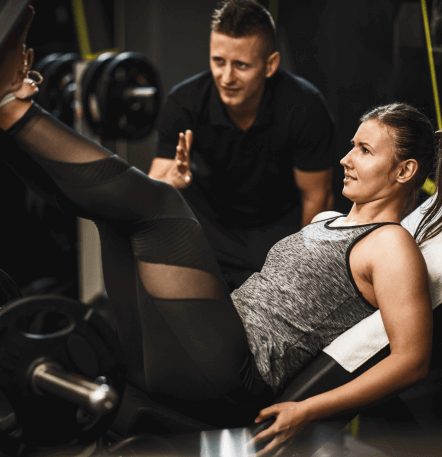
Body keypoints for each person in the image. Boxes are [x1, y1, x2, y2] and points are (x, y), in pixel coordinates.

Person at [0, 6, 439, 456]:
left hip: (235, 375)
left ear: (405, 170)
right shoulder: (327, 220)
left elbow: (412, 361)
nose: (345, 159)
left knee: (161, 204)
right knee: (112, 214)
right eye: (351, 146)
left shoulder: (391, 244)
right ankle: (5, 116)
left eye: (364, 150)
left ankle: (14, 105)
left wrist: (308, 410)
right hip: (195, 353)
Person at [148, 0, 336, 290]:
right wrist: (169, 183)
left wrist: (300, 270)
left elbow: (317, 197)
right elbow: (152, 190)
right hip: (207, 235)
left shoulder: (304, 107)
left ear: (270, 65)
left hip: (275, 239)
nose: (226, 78)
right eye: (218, 61)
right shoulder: (184, 102)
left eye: (241, 65)